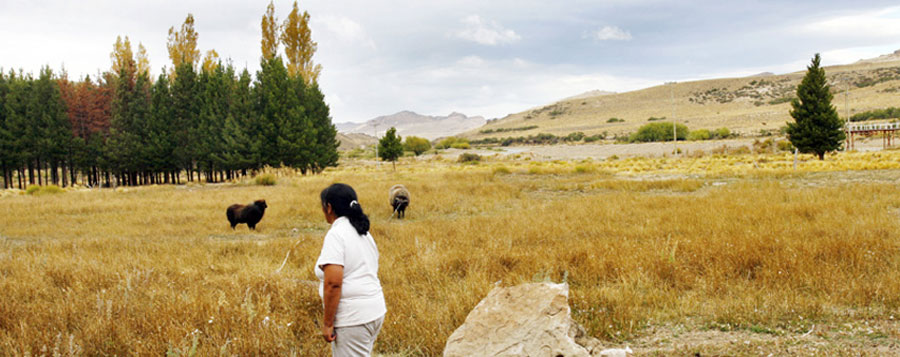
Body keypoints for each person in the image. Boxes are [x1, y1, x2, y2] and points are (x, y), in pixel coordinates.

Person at [316, 183, 387, 356]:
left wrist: (327, 323)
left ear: (329, 207)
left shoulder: (336, 234)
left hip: (353, 318)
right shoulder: (362, 231)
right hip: (374, 311)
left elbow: (333, 283)